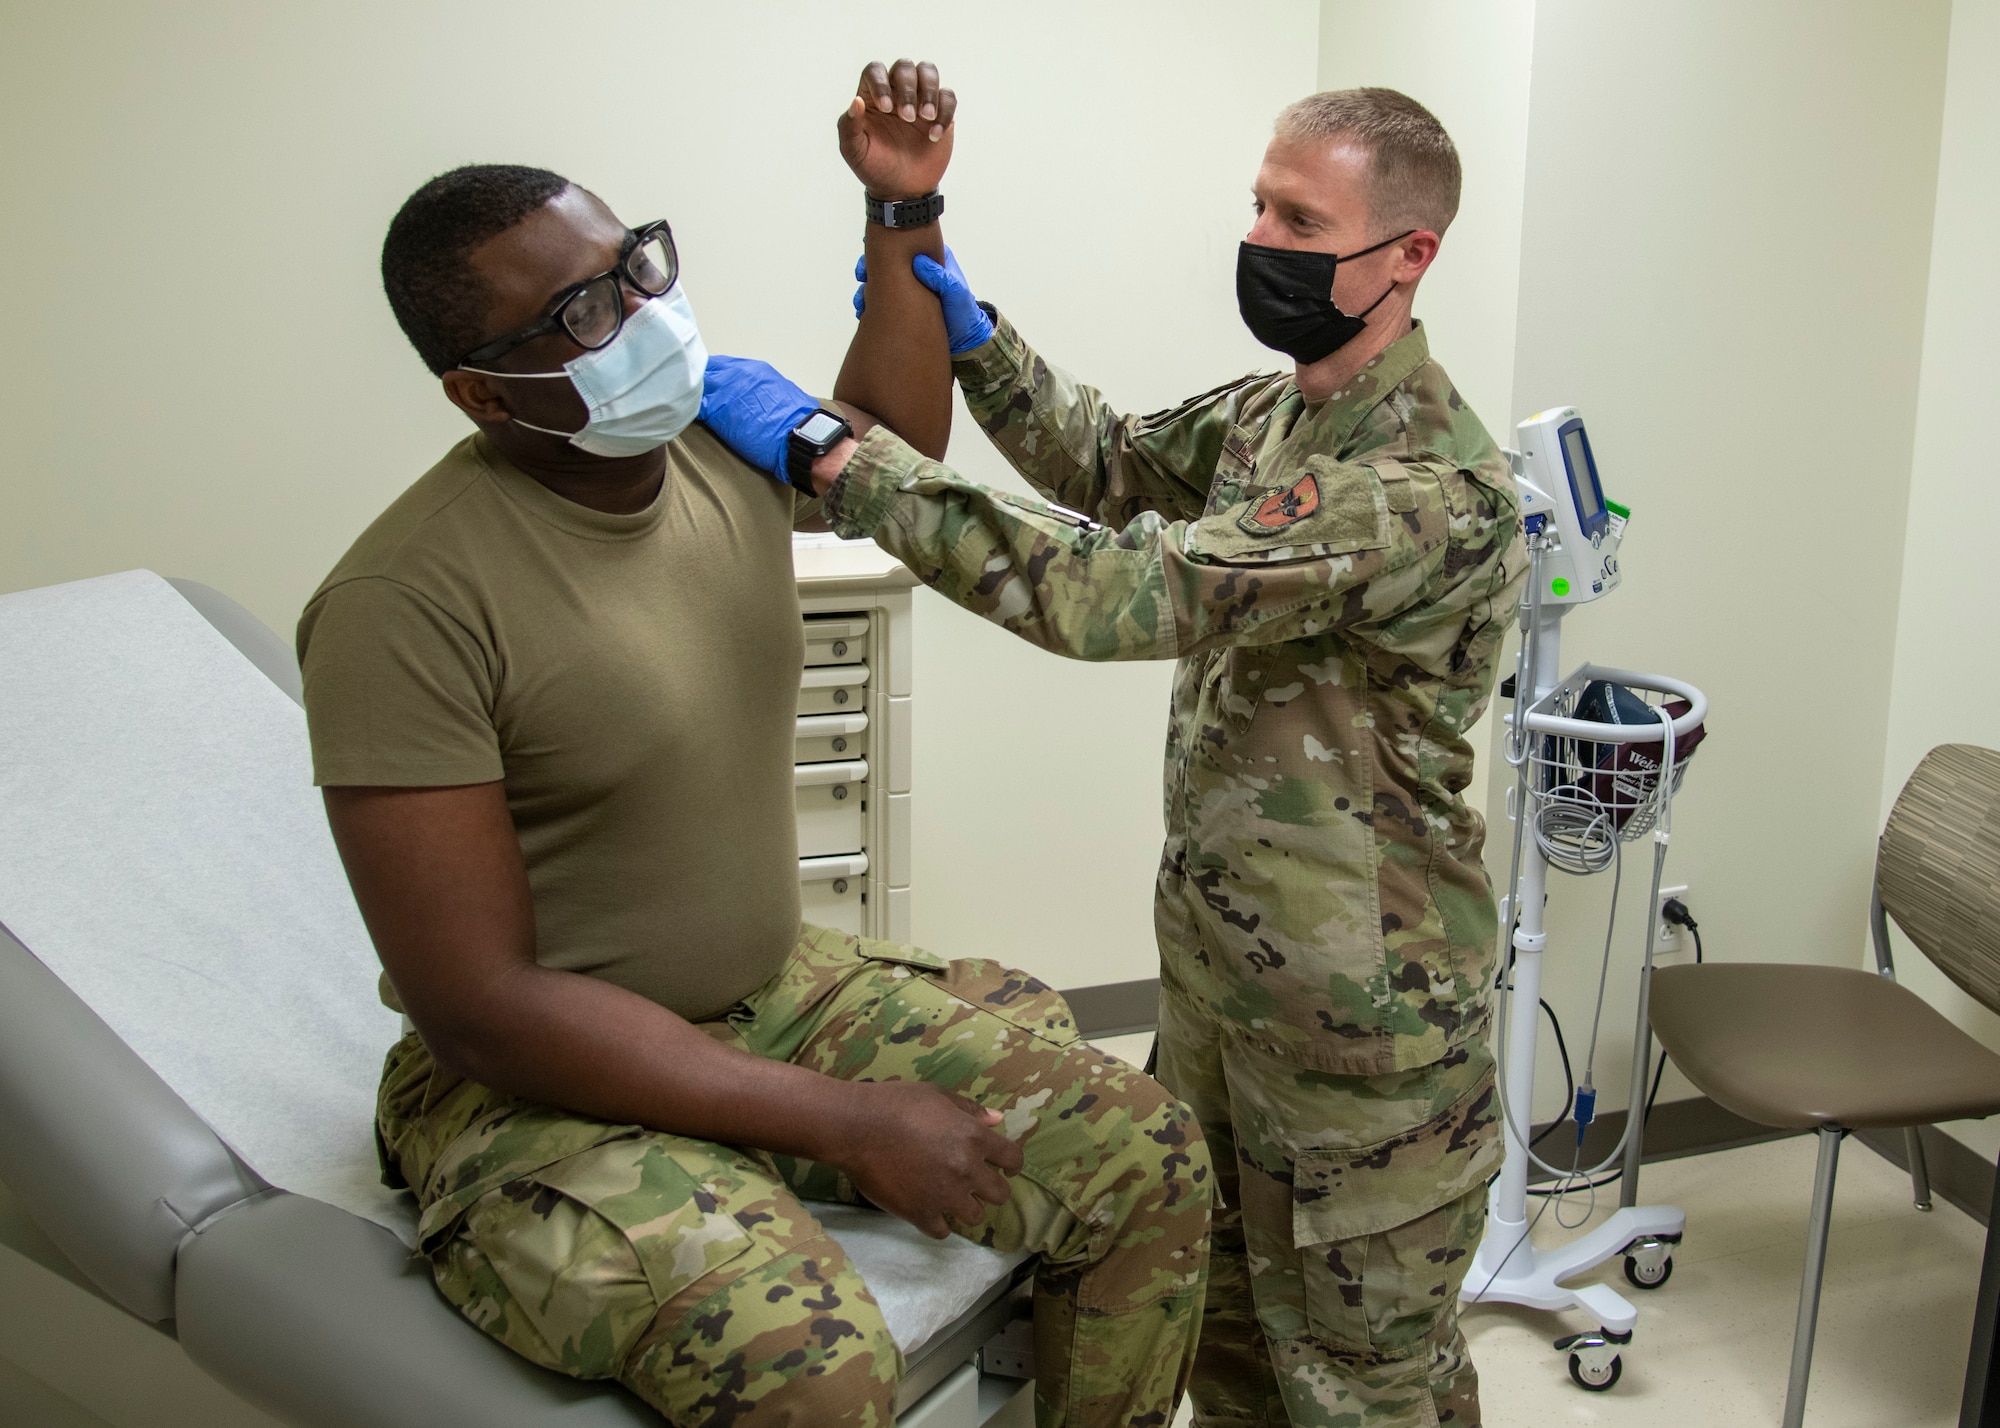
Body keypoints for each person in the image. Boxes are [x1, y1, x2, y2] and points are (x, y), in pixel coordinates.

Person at [297, 144, 1212, 1426]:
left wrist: (900, 210)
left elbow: (885, 438)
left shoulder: (708, 451)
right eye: (579, 313)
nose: (639, 316)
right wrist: (840, 1121)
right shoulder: (403, 605)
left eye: (635, 268)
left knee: (1146, 1155)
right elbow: (480, 1007)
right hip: (531, 1090)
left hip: (767, 994)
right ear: (482, 394)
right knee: (814, 1368)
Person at [701, 65, 1525, 1428]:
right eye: (1260, 205)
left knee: (1361, 1390)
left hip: (1359, 1042)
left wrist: (839, 460)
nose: (1262, 241)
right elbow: (1107, 460)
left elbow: (1111, 593)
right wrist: (966, 318)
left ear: (1409, 256)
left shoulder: (1420, 493)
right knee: (1236, 1354)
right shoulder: (1279, 417)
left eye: (1302, 224)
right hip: (1218, 990)